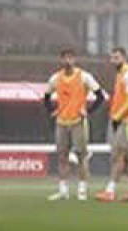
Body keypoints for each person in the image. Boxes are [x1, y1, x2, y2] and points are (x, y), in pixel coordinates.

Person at [42, 48, 103, 201]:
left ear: (74, 60)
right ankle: (63, 191)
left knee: (81, 156)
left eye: (70, 58)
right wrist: (52, 110)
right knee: (62, 156)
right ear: (61, 60)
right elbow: (46, 96)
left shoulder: (84, 77)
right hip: (62, 121)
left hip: (78, 121)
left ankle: (82, 190)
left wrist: (88, 111)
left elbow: (100, 96)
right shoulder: (56, 78)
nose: (67, 61)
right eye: (65, 58)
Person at [96, 46, 128, 202]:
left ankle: (110, 190)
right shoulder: (120, 75)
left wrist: (118, 116)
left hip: (126, 121)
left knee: (118, 156)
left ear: (124, 58)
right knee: (127, 157)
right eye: (112, 58)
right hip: (121, 120)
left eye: (117, 57)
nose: (113, 61)